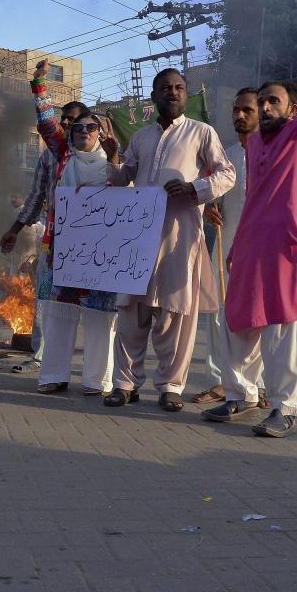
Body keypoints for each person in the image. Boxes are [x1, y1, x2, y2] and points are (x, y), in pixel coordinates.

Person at [203, 0, 297, 437]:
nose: (263, 108)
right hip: (250, 249)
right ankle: (240, 395)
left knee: (286, 333)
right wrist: (236, 246)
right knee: (239, 323)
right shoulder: (255, 143)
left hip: (287, 250)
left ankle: (286, 407)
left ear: (294, 109)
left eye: (272, 102)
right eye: (259, 103)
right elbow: (254, 199)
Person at [105, 67, 235, 412]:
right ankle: (124, 383)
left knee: (173, 314)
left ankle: (170, 387)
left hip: (180, 235)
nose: (173, 92)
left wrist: (195, 189)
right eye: (165, 88)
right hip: (137, 236)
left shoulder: (201, 132)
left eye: (179, 87)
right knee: (131, 310)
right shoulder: (141, 138)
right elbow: (121, 180)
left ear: (185, 94)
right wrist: (111, 156)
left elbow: (227, 174)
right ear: (154, 96)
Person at [26, 90, 121, 394]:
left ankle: (97, 381)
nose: (83, 133)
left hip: (103, 254)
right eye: (77, 128)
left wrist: (116, 158)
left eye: (90, 128)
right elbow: (46, 124)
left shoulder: (116, 163)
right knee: (58, 316)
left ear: (102, 132)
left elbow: (128, 196)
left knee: (100, 319)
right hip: (64, 251)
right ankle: (53, 375)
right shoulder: (63, 156)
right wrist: (40, 86)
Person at [1, 100, 87, 375]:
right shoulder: (50, 156)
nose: (64, 123)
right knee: (46, 300)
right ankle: (41, 358)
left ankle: (97, 369)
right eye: (62, 118)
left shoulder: (98, 157)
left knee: (94, 308)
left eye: (70, 119)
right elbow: (36, 197)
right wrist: (14, 230)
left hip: (90, 245)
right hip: (54, 241)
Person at [192, 88, 259, 404]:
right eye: (236, 110)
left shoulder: (271, 154)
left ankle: (257, 384)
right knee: (218, 315)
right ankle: (220, 381)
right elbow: (210, 192)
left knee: (259, 317)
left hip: (261, 251)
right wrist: (210, 209)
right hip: (226, 246)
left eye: (247, 109)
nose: (240, 115)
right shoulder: (225, 156)